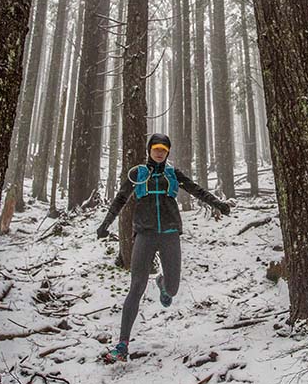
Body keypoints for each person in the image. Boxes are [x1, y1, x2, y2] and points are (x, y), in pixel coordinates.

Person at [96, 132, 231, 363]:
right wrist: (105, 224)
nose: (159, 152)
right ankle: (122, 345)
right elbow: (120, 198)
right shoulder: (138, 174)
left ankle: (162, 285)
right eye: (155, 148)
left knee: (173, 288)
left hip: (169, 234)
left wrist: (217, 204)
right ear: (149, 150)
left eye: (163, 149)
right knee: (136, 287)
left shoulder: (173, 174)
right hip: (145, 235)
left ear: (167, 152)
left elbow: (196, 189)